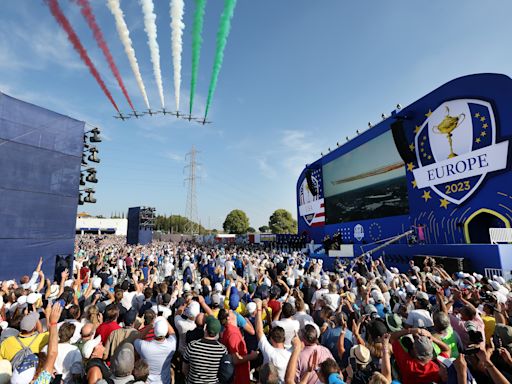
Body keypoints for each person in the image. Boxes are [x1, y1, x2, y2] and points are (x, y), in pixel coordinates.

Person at [182, 315, 227, 384]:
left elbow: (184, 369)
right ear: (217, 333)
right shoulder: (222, 350)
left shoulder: (192, 345)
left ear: (205, 328)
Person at [255, 299, 291, 382]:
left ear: (271, 339)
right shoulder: (291, 355)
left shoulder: (270, 352)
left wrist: (259, 308)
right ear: (284, 339)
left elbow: (259, 331)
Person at [134, 317, 176, 384]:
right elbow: (172, 333)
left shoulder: (144, 346)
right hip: (165, 381)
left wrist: (151, 325)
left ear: (154, 330)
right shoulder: (172, 344)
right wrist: (163, 319)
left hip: (148, 381)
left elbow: (138, 338)